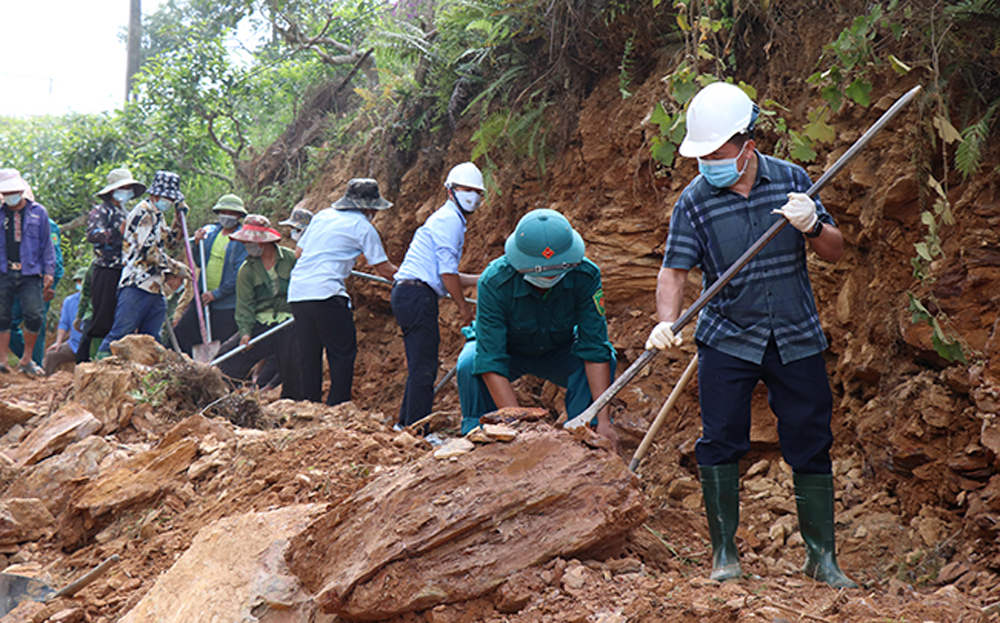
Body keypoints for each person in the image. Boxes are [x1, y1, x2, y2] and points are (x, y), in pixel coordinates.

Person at [645, 81, 853, 588]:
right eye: (702, 156)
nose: (709, 164)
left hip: (795, 333)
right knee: (720, 440)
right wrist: (664, 321)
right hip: (727, 337)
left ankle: (821, 558)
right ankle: (724, 555)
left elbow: (836, 250)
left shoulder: (794, 180)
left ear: (748, 146)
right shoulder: (693, 201)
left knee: (810, 439)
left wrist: (811, 225)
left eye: (717, 154)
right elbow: (674, 272)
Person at [455, 208, 619, 452]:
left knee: (605, 358)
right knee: (469, 365)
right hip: (509, 353)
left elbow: (594, 347)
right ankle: (481, 439)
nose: (550, 278)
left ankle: (586, 436)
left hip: (558, 351)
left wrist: (604, 420)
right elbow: (490, 358)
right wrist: (520, 427)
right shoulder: (494, 281)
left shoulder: (585, 275)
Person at [288, 178, 397, 405]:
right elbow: (385, 269)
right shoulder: (363, 227)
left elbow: (298, 252)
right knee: (342, 353)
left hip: (298, 292)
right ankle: (338, 407)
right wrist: (413, 277)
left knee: (309, 355)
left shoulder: (323, 216)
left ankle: (310, 406)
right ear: (368, 208)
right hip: (327, 293)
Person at [391, 162, 483, 428]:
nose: (472, 196)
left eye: (478, 192)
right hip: (416, 295)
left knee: (421, 364)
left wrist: (481, 278)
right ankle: (417, 431)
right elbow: (447, 274)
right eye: (466, 189)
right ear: (450, 191)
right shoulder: (449, 220)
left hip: (410, 293)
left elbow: (450, 274)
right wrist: (464, 309)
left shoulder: (449, 219)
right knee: (425, 367)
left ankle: (405, 425)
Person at [96, 170, 183, 358]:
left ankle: (145, 378)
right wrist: (176, 267)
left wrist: (179, 217)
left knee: (151, 339)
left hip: (155, 285)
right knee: (121, 334)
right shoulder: (143, 213)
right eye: (166, 197)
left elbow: (172, 242)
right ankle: (99, 369)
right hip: (137, 283)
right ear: (155, 194)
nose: (168, 201)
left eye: (171, 199)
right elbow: (147, 253)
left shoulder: (158, 215)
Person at [214, 215, 301, 398]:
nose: (248, 246)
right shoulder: (247, 270)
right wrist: (245, 332)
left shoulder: (291, 259)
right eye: (246, 242)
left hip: (290, 322)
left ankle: (294, 404)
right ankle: (219, 397)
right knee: (228, 357)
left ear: (265, 242)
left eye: (252, 242)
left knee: (294, 365)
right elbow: (245, 304)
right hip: (261, 323)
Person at [82, 168, 146, 361]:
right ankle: (95, 358)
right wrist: (117, 231)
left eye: (129, 188)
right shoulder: (101, 211)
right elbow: (92, 235)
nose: (126, 191)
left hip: (127, 271)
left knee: (124, 315)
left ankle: (120, 358)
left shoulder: (127, 211)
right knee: (103, 314)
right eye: (123, 188)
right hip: (106, 269)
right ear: (112, 190)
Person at [174, 193, 248, 355]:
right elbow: (199, 262)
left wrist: (217, 294)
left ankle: (222, 377)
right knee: (181, 333)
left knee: (224, 344)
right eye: (224, 212)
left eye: (231, 213)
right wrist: (198, 244)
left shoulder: (242, 239)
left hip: (226, 303)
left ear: (239, 216)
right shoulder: (211, 233)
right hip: (202, 298)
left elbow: (239, 273)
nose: (227, 216)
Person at [0, 169, 56, 376]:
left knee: (34, 315)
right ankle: (3, 360)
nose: (10, 196)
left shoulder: (38, 212)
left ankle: (27, 359)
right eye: (6, 193)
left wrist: (49, 270)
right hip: (4, 271)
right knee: (2, 315)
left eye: (13, 191)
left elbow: (47, 244)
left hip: (30, 273)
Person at [42, 266, 86, 375]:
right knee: (51, 354)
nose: (80, 283)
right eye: (78, 281)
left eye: (83, 281)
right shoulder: (69, 301)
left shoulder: (98, 301)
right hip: (74, 344)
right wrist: (58, 342)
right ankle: (44, 381)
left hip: (91, 345)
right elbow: (64, 323)